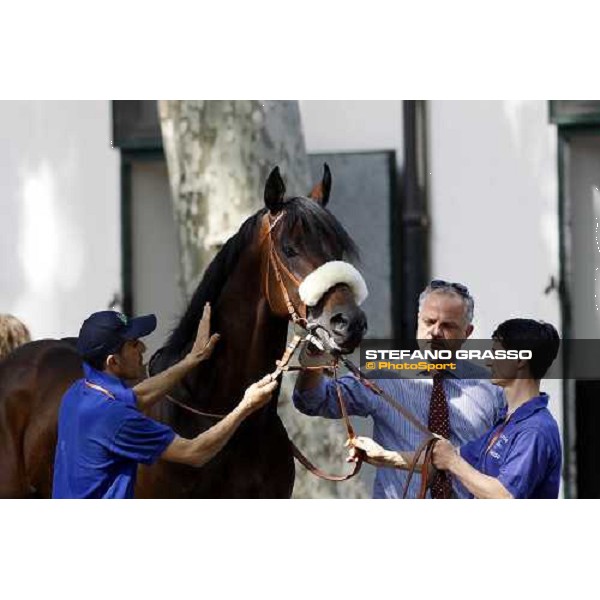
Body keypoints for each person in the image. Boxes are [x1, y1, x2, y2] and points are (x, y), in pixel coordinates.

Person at [293, 279, 505, 499]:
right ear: (417, 321)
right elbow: (312, 400)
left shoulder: (492, 389)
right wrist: (315, 352)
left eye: (448, 326)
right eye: (429, 321)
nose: (435, 332)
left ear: (467, 333)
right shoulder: (385, 373)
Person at [52, 303, 278, 499]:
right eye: (133, 344)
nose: (143, 348)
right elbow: (194, 452)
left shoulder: (79, 393)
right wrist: (246, 406)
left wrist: (192, 359)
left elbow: (139, 396)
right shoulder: (115, 419)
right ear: (113, 362)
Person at [349, 319, 562, 499]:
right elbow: (441, 459)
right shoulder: (505, 424)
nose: (488, 362)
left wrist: (453, 462)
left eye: (497, 353)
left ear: (520, 361)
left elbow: (504, 496)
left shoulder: (535, 430)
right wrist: (382, 455)